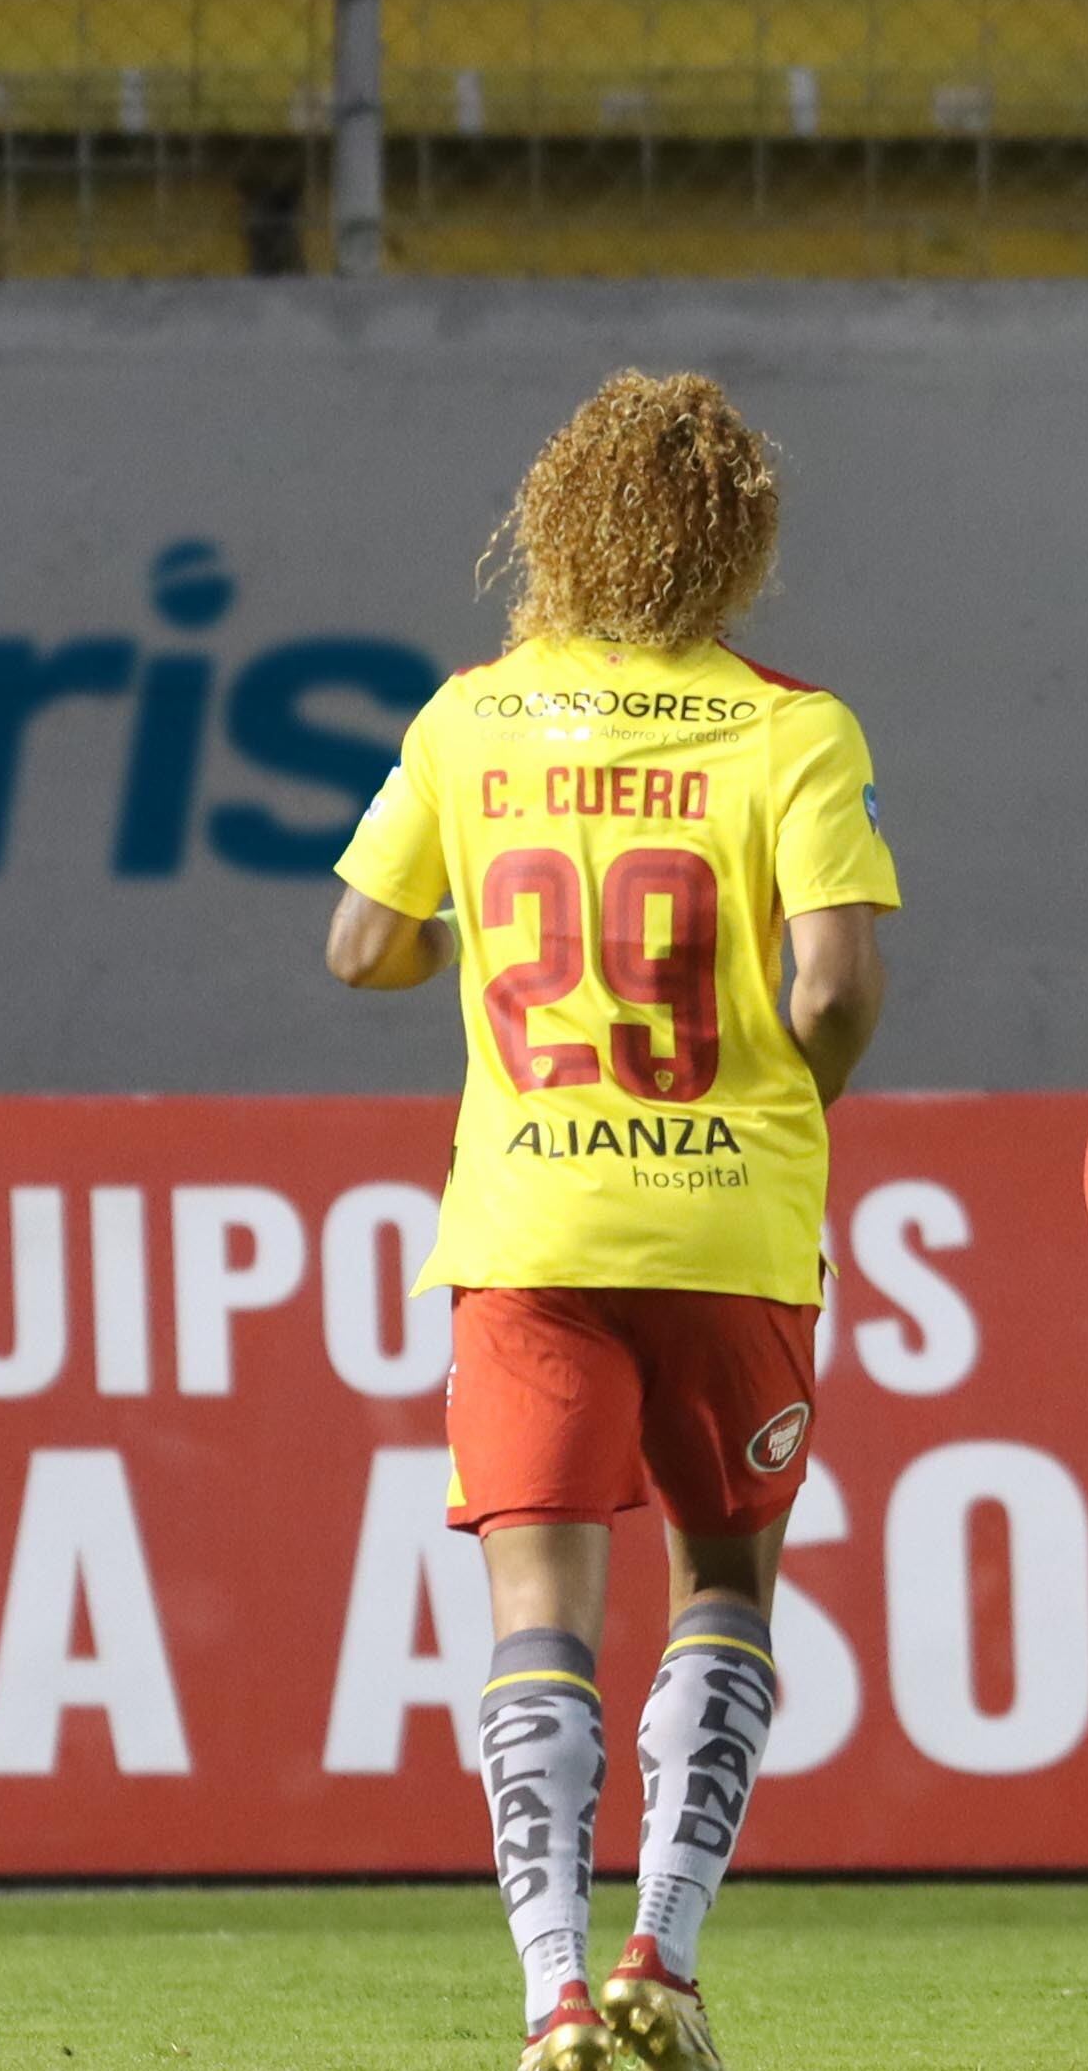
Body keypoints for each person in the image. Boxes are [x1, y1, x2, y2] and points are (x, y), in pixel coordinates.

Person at [321, 371, 900, 2071]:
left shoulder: (467, 720)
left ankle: (549, 1993)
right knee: (724, 1584)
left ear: (555, 525)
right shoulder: (794, 727)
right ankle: (667, 1953)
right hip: (727, 1220)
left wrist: (461, 954)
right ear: (740, 544)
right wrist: (799, 1095)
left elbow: (361, 945)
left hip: (529, 1228)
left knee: (539, 1617)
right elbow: (838, 983)